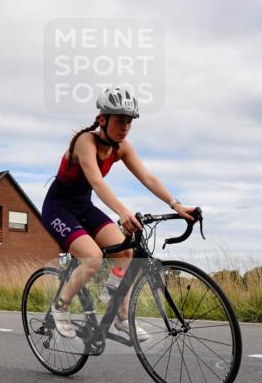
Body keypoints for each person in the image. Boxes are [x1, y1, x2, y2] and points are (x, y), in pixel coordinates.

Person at [41, 87, 196, 340]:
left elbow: (147, 177)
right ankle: (61, 306)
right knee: (92, 258)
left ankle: (119, 317)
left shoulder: (121, 148)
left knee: (127, 251)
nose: (125, 126)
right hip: (58, 209)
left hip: (83, 207)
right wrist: (123, 212)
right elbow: (97, 182)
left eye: (129, 121)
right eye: (120, 120)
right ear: (103, 119)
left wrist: (175, 204)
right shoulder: (85, 142)